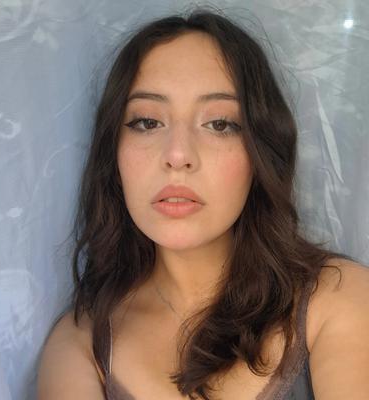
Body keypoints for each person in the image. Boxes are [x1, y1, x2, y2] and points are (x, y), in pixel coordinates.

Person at [36, 7, 369, 400]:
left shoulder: (339, 298)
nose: (178, 155)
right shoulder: (80, 345)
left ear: (260, 152)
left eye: (219, 124)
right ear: (114, 152)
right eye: (147, 122)